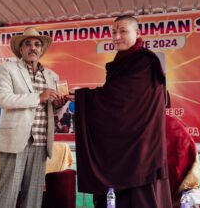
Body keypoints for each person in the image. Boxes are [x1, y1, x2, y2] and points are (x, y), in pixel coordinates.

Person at [74, 15, 172, 208]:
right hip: (124, 142)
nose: (117, 36)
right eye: (113, 32)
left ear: (138, 33)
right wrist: (82, 97)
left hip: (140, 145)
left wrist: (82, 97)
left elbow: (122, 100)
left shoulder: (145, 62)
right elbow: (113, 99)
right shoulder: (123, 62)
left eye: (123, 31)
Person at [0, 27, 66, 208]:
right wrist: (39, 97)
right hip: (15, 141)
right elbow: (4, 99)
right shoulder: (7, 69)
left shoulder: (52, 76)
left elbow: (54, 112)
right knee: (7, 195)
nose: (32, 48)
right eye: (28, 44)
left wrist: (59, 104)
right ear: (21, 49)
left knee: (33, 199)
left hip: (41, 142)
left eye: (37, 44)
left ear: (42, 50)